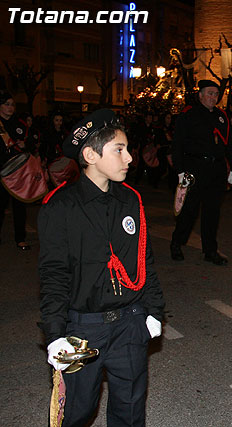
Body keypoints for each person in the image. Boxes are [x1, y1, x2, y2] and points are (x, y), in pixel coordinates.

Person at [38, 109, 165, 426]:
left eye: (127, 149)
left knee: (131, 409)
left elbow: (143, 259)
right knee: (77, 411)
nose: (130, 158)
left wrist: (153, 309)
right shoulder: (60, 206)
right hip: (84, 328)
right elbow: (54, 274)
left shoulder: (131, 199)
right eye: (119, 150)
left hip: (130, 322)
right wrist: (55, 334)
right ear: (90, 155)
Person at [169, 80, 232, 264]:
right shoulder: (189, 114)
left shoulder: (221, 116)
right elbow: (177, 144)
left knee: (212, 212)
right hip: (195, 167)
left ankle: (210, 251)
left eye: (216, 94)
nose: (213, 97)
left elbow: (229, 144)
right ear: (200, 95)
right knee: (189, 210)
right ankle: (177, 242)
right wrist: (180, 170)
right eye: (209, 93)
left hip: (216, 169)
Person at [0, 91, 32, 250]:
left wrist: (24, 146)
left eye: (12, 104)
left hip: (17, 171)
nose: (10, 107)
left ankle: (20, 238)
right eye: (7, 104)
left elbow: (29, 145)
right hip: (1, 170)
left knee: (19, 205)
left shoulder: (20, 125)